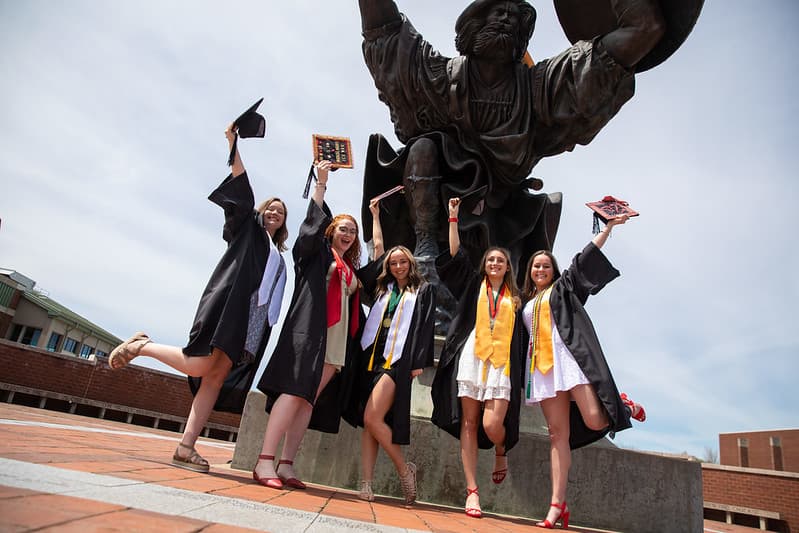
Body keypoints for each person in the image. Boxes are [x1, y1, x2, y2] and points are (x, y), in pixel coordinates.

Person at [357, 0, 665, 281]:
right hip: (436, 197)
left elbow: (634, 38)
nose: (506, 21)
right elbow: (387, 37)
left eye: (514, 19)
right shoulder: (442, 77)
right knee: (423, 147)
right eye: (497, 14)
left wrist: (637, 18)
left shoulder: (538, 89)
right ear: (473, 26)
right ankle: (425, 244)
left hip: (500, 204)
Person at [107, 122, 289, 474]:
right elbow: (243, 190)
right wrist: (234, 146)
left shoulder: (278, 255)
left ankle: (186, 447)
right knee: (202, 364)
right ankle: (143, 346)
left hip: (253, 323)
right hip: (230, 310)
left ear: (283, 223)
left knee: (215, 377)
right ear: (261, 211)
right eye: (271, 208)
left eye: (280, 213)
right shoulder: (248, 232)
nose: (274, 213)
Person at [521, 214, 646, 528]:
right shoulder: (525, 303)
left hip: (568, 362)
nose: (540, 269)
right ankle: (556, 505)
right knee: (556, 436)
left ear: (552, 271)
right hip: (542, 370)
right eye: (536, 266)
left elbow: (582, 260)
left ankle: (622, 406)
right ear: (530, 272)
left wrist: (606, 230)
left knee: (593, 418)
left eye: (545, 266)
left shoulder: (562, 289)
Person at [254, 159, 364, 490]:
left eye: (352, 231)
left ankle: (286, 464)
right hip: (308, 333)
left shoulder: (348, 269)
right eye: (343, 228)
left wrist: (374, 222)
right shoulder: (315, 255)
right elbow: (308, 231)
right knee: (292, 393)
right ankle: (264, 461)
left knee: (307, 400)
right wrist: (322, 183)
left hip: (334, 341)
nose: (348, 233)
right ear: (330, 231)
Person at [431, 197, 527, 518]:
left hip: (500, 365)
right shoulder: (475, 286)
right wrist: (453, 219)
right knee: (470, 424)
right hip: (473, 359)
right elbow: (455, 257)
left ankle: (501, 448)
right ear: (485, 265)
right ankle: (472, 491)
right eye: (490, 260)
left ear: (508, 266)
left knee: (492, 423)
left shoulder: (516, 300)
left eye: (500, 260)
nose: (495, 264)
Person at [343, 197, 436, 505]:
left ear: (410, 264)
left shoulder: (420, 291)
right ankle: (366, 484)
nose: (397, 265)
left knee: (371, 417)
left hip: (396, 362)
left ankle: (404, 469)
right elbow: (377, 249)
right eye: (394, 263)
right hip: (370, 357)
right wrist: (375, 218)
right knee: (369, 423)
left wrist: (419, 361)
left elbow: (424, 326)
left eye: (402, 262)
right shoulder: (382, 288)